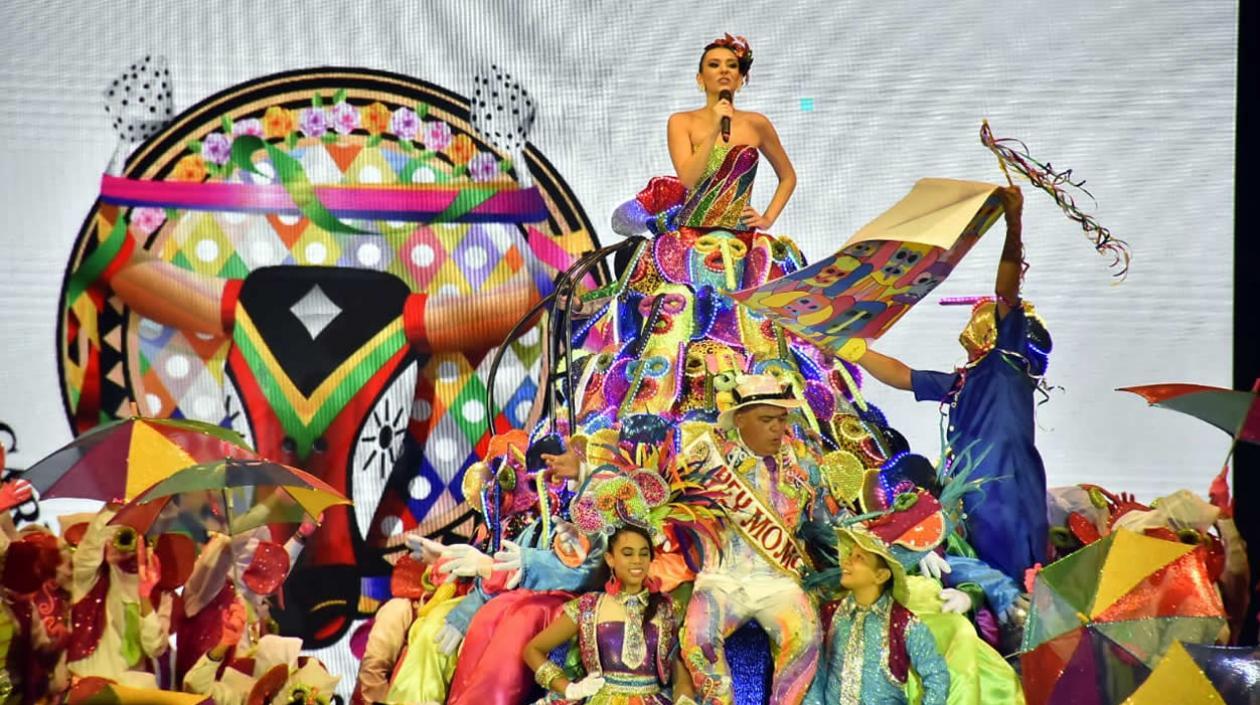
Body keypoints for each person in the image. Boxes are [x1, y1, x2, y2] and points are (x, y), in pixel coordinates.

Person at [849, 185, 1051, 583]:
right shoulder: (963, 381)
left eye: (983, 316)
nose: (972, 321)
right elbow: (899, 375)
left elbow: (1006, 291)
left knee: (1013, 578)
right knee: (972, 574)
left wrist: (1013, 223)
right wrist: (847, 348)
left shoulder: (1006, 365)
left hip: (1005, 488)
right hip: (970, 497)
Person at [677, 374, 828, 705]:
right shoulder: (706, 460)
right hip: (722, 580)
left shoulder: (803, 462)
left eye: (781, 419)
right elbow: (656, 492)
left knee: (806, 638)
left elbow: (825, 523)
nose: (777, 428)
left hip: (780, 581)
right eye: (766, 420)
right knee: (697, 640)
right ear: (741, 420)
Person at [523, 524, 695, 705]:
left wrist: (685, 700)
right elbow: (532, 650)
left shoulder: (667, 609)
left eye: (643, 554)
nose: (637, 560)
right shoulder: (588, 606)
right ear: (610, 559)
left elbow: (679, 669)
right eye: (627, 553)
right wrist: (570, 689)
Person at [807, 524, 950, 705]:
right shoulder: (829, 614)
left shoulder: (905, 624)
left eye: (859, 558)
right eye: (850, 554)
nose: (847, 561)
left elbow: (937, 677)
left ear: (881, 575)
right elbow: (815, 674)